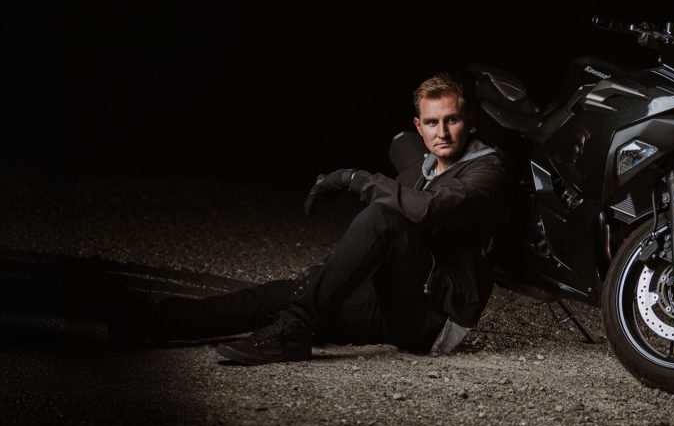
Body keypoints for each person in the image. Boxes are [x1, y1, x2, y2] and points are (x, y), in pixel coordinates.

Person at [107, 72, 510, 364]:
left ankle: (295, 329)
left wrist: (351, 178)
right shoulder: (422, 170)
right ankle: (154, 322)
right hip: (397, 301)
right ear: (418, 127)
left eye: (452, 120)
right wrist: (325, 279)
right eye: (433, 122)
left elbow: (427, 209)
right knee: (291, 292)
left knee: (381, 218)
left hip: (437, 319)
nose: (443, 132)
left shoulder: (486, 172)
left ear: (469, 122)